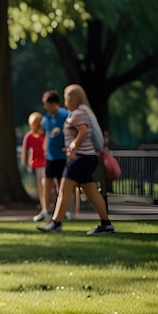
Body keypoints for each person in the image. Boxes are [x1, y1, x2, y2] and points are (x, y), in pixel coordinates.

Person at [37, 84, 115, 234]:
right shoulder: (83, 111)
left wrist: (74, 145)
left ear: (73, 97)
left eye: (66, 96)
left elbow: (84, 131)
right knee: (91, 192)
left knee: (64, 190)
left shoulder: (78, 113)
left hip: (79, 159)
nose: (65, 100)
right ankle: (106, 224)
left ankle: (56, 223)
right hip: (86, 158)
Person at [38, 90, 69, 222]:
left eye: (47, 104)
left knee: (61, 185)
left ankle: (62, 211)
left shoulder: (65, 115)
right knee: (47, 183)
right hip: (50, 156)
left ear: (54, 103)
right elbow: (46, 135)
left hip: (62, 156)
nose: (46, 107)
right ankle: (45, 210)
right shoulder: (46, 118)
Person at [20, 112, 47, 221]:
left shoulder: (45, 135)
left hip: (46, 163)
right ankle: (44, 208)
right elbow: (25, 150)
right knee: (40, 187)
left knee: (46, 185)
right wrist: (25, 163)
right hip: (36, 164)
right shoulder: (29, 136)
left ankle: (49, 208)